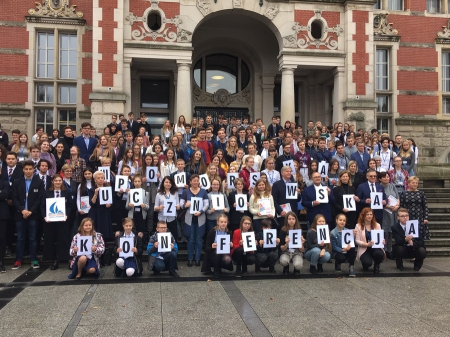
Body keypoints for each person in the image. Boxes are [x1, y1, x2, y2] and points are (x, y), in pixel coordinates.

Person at [11, 160, 44, 269]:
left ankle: (33, 259)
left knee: (33, 238)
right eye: (26, 169)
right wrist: (22, 210)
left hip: (33, 214)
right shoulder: (17, 181)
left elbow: (39, 198)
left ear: (34, 170)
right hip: (20, 214)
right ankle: (18, 260)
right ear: (23, 170)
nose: (28, 171)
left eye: (30, 169)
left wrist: (31, 211)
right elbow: (14, 198)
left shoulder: (38, 182)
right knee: (20, 238)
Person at [41, 174, 72, 270]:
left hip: (63, 221)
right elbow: (42, 206)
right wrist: (45, 217)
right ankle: (54, 260)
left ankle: (67, 259)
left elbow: (70, 205)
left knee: (64, 240)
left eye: (60, 180)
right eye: (56, 180)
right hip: (50, 221)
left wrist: (67, 215)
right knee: (51, 240)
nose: (58, 182)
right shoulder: (47, 193)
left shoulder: (66, 192)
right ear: (52, 181)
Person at [180, 174, 209, 267]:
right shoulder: (186, 191)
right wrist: (185, 205)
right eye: (194, 181)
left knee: (199, 239)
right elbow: (181, 204)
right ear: (190, 182)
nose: (196, 182)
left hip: (200, 218)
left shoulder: (203, 191)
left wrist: (201, 211)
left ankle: (197, 259)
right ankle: (190, 258)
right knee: (191, 238)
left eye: (197, 181)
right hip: (190, 218)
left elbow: (206, 204)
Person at [201, 214, 234, 279]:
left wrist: (231, 245)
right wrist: (212, 246)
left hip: (224, 253)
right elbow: (206, 248)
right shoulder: (212, 232)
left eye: (225, 222)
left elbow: (229, 248)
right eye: (221, 222)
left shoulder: (229, 232)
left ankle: (220, 267)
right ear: (218, 222)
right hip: (213, 253)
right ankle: (216, 270)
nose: (223, 224)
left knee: (228, 259)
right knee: (217, 252)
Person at [355, 207, 385, 274]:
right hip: (364, 247)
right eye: (367, 214)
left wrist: (382, 241)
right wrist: (367, 244)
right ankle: (365, 264)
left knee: (379, 254)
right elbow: (357, 240)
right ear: (363, 216)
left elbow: (380, 237)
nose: (369, 216)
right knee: (367, 263)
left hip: (375, 247)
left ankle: (377, 265)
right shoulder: (358, 226)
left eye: (371, 214)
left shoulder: (377, 225)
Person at [379, 171, 400, 260]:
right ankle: (383, 250)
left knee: (391, 231)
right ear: (380, 178)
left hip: (393, 211)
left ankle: (389, 250)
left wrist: (397, 205)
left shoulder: (392, 186)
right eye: (384, 177)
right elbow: (378, 200)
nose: (386, 178)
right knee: (384, 231)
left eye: (387, 177)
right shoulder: (378, 187)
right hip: (384, 211)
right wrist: (387, 206)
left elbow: (398, 197)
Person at [400, 176, 429, 240]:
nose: (415, 184)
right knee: (409, 234)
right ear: (408, 183)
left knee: (419, 236)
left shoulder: (421, 193)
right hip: (408, 216)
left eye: (416, 183)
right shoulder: (404, 193)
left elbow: (425, 206)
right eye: (413, 183)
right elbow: (401, 206)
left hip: (419, 216)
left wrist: (425, 217)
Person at [88, 170, 113, 240]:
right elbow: (91, 203)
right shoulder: (92, 189)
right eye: (98, 178)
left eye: (102, 178)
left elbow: (111, 202)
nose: (100, 179)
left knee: (105, 232)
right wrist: (96, 193)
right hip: (95, 213)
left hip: (105, 212)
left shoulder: (107, 188)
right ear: (95, 180)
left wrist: (109, 205)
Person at [125, 174, 150, 239]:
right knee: (132, 232)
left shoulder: (145, 193)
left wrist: (144, 206)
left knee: (140, 233)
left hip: (141, 214)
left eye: (139, 181)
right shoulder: (130, 192)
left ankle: (140, 246)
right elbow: (126, 207)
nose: (137, 183)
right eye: (135, 181)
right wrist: (129, 205)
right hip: (132, 214)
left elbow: (148, 207)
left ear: (141, 182)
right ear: (133, 182)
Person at [0, 177, 10, 272]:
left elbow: (5, 195)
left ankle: (1, 261)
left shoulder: (5, 183)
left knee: (1, 239)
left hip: (2, 215)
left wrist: (2, 193)